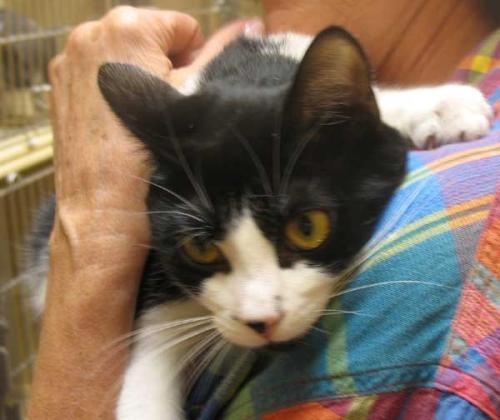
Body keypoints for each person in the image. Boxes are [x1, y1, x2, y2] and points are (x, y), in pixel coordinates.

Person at [27, 1, 498, 419]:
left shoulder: (444, 235)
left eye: (306, 230)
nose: (259, 312)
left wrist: (90, 231)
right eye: (204, 249)